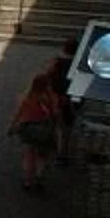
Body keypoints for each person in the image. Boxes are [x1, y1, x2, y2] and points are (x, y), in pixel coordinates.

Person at [11, 58, 70, 193]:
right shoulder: (51, 97)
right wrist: (59, 126)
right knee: (42, 157)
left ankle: (27, 182)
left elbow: (19, 114)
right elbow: (56, 113)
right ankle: (39, 179)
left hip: (29, 129)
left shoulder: (28, 97)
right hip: (45, 129)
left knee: (28, 156)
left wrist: (12, 127)